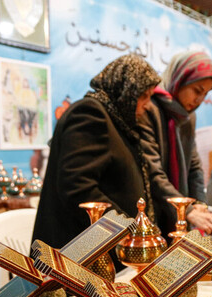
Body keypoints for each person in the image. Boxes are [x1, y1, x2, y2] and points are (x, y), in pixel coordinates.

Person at [32, 54, 161, 249]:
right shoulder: (90, 113)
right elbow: (78, 187)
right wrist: (127, 230)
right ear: (125, 90)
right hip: (78, 252)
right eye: (143, 95)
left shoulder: (118, 121)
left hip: (101, 247)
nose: (147, 104)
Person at [138, 51, 212, 237]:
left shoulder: (188, 117)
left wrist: (199, 204)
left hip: (177, 213)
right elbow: (152, 172)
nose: (199, 100)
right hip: (152, 210)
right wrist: (187, 210)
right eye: (197, 91)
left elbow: (194, 166)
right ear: (179, 80)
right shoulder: (148, 108)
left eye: (205, 94)